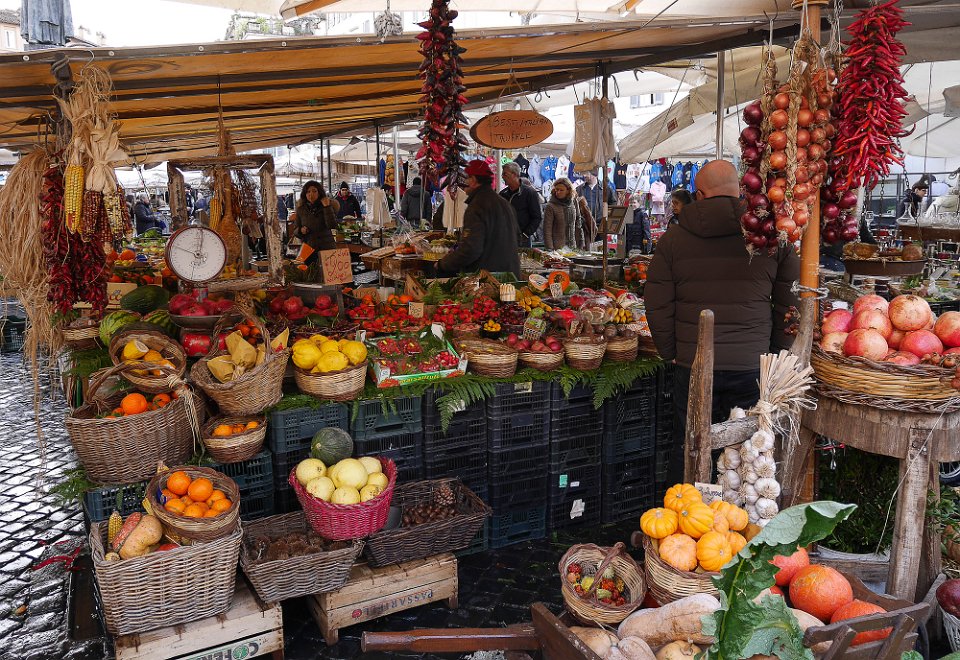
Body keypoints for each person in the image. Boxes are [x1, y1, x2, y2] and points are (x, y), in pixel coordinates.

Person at [644, 160, 800, 484]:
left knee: (691, 445)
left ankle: (684, 511)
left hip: (693, 364)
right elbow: (791, 305)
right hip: (752, 365)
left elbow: (657, 302)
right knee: (748, 453)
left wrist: (670, 351)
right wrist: (774, 350)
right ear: (740, 190)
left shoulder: (673, 239)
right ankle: (737, 514)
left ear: (699, 195)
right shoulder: (771, 238)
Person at [438, 160, 521, 276]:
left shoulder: (477, 206)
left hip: (488, 278)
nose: (463, 183)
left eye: (466, 179)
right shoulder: (504, 203)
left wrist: (443, 264)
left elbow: (470, 249)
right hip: (511, 275)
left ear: (473, 180)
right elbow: (517, 238)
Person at [291, 180, 340, 263]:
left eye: (314, 191)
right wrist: (300, 230)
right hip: (308, 248)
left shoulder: (327, 206)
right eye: (308, 192)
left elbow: (332, 225)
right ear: (305, 194)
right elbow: (295, 230)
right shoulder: (301, 209)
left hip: (326, 247)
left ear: (319, 193)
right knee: (305, 270)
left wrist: (327, 207)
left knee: (327, 270)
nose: (311, 194)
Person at [500, 162, 542, 248]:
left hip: (523, 241)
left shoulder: (530, 193)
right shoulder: (502, 194)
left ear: (514, 174)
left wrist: (525, 234)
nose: (502, 176)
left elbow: (537, 217)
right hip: (505, 239)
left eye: (505, 174)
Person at [542, 178, 578, 250]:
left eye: (561, 190)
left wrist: (581, 242)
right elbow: (547, 230)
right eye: (556, 189)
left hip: (572, 246)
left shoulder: (573, 202)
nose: (558, 192)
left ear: (568, 191)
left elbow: (578, 222)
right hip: (557, 248)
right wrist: (550, 248)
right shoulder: (551, 206)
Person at [580, 170, 616, 239]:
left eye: (586, 173)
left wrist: (607, 221)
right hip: (584, 227)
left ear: (594, 174)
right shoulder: (579, 189)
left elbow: (613, 204)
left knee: (600, 245)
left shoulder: (606, 189)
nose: (584, 176)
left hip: (601, 227)